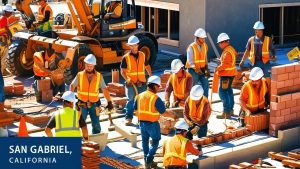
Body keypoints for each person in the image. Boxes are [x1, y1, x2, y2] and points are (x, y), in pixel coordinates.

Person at [134, 75, 172, 169]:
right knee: (155, 141)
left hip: (141, 123)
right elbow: (164, 113)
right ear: (155, 86)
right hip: (152, 124)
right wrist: (173, 116)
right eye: (158, 87)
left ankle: (147, 161)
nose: (158, 89)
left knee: (145, 141)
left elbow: (135, 109)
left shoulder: (138, 96)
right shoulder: (155, 98)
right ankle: (149, 159)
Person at [70, 54, 114, 134]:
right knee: (79, 123)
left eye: (91, 66)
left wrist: (109, 101)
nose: (89, 68)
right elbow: (72, 86)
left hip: (95, 104)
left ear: (94, 66)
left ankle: (96, 139)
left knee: (96, 124)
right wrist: (70, 99)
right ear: (85, 64)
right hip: (82, 104)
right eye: (87, 66)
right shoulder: (79, 75)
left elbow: (104, 89)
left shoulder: (99, 76)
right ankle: (79, 138)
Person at [120, 35, 152, 125]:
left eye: (135, 45)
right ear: (129, 46)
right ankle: (128, 118)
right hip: (131, 84)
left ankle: (141, 118)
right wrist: (127, 79)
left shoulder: (142, 55)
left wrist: (151, 77)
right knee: (131, 101)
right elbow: (122, 71)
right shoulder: (126, 58)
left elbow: (147, 66)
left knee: (142, 101)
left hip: (142, 83)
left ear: (138, 45)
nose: (133, 47)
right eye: (131, 45)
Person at [215, 33, 237, 119]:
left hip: (226, 76)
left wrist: (218, 68)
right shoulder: (230, 49)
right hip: (230, 75)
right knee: (229, 92)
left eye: (219, 43)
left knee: (222, 92)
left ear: (224, 42)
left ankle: (226, 111)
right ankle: (230, 110)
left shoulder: (227, 52)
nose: (219, 45)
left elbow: (225, 65)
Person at [186, 28, 210, 98]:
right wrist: (196, 68)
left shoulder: (205, 46)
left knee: (206, 86)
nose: (203, 40)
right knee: (193, 87)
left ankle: (205, 103)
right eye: (202, 38)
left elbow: (205, 58)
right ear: (197, 38)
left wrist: (206, 68)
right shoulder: (191, 47)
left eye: (204, 38)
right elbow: (190, 61)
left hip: (202, 69)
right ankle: (192, 102)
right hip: (193, 71)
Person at [0, 4, 14, 75]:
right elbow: (6, 29)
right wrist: (11, 36)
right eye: (10, 12)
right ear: (6, 11)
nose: (11, 14)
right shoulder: (4, 18)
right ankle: (3, 71)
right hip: (2, 38)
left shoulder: (2, 17)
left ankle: (3, 70)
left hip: (1, 37)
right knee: (4, 55)